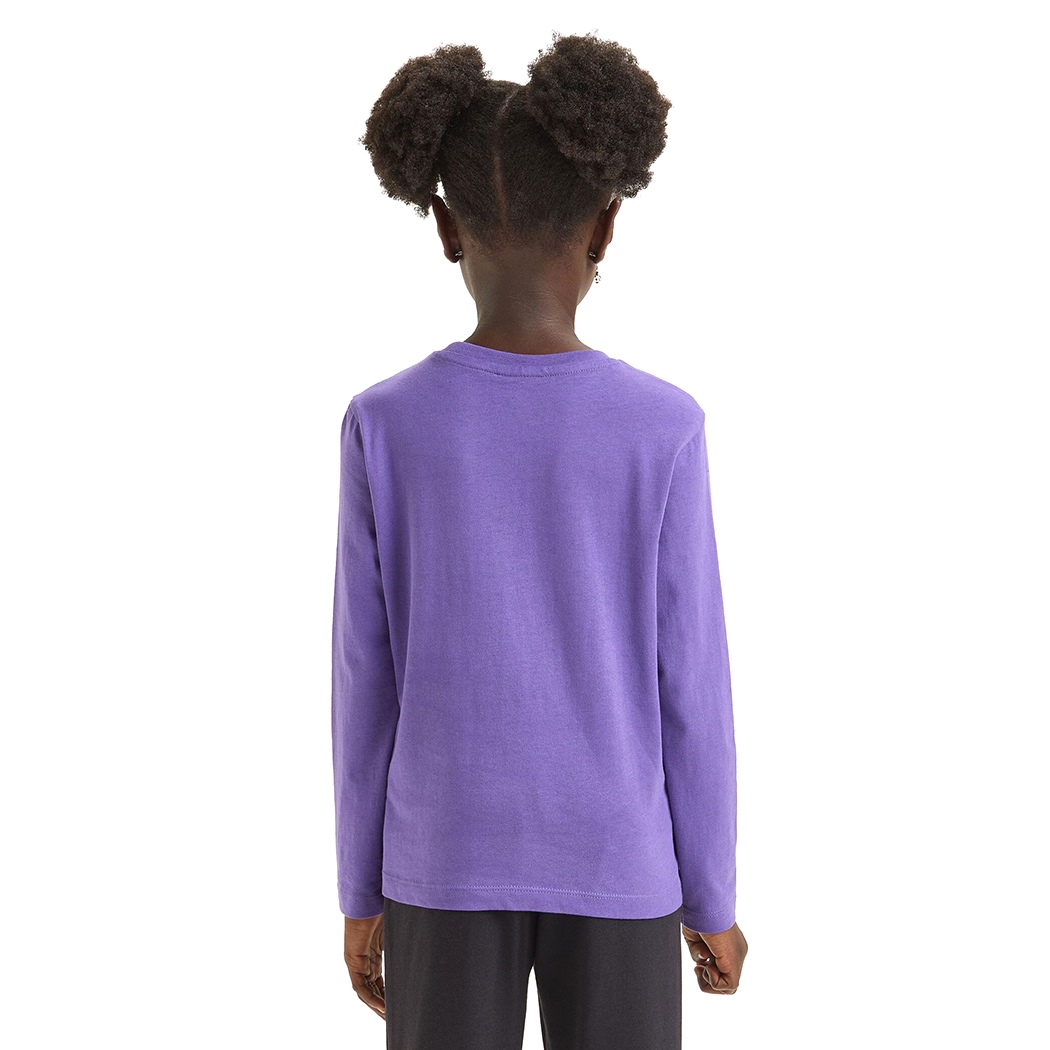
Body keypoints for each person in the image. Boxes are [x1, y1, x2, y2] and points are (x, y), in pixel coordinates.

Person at [332, 31, 748, 1049]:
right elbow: (691, 682)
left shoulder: (384, 425)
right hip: (620, 860)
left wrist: (360, 884)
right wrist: (711, 892)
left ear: (445, 227)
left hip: (438, 861)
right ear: (606, 225)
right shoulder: (663, 428)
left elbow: (362, 679)